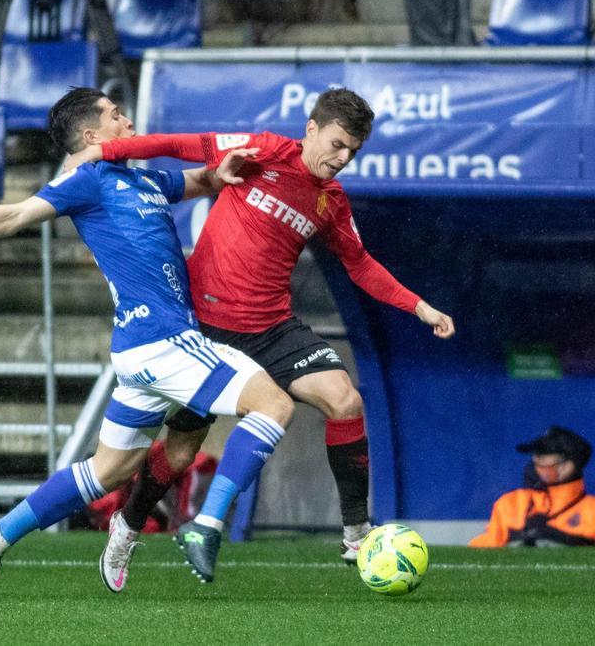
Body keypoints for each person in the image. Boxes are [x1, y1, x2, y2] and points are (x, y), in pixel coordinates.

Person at [0, 86, 297, 596]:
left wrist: (220, 172)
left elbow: (195, 180)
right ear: (91, 135)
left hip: (139, 351)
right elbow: (12, 215)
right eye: (117, 116)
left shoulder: (138, 175)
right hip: (164, 342)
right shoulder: (86, 179)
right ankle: (206, 527)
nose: (129, 121)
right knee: (273, 404)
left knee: (108, 471)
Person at [67, 88, 456, 588]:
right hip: (205, 328)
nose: (341, 159)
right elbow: (183, 144)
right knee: (181, 452)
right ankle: (127, 525)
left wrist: (418, 306)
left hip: (272, 327)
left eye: (352, 152)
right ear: (311, 128)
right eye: (336, 144)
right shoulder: (266, 150)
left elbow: (360, 263)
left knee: (345, 401)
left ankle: (356, 532)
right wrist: (106, 151)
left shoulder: (330, 201)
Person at [468, 426, 595, 549]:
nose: (537, 462)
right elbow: (484, 551)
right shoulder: (510, 504)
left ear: (567, 465)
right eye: (536, 458)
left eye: (543, 458)